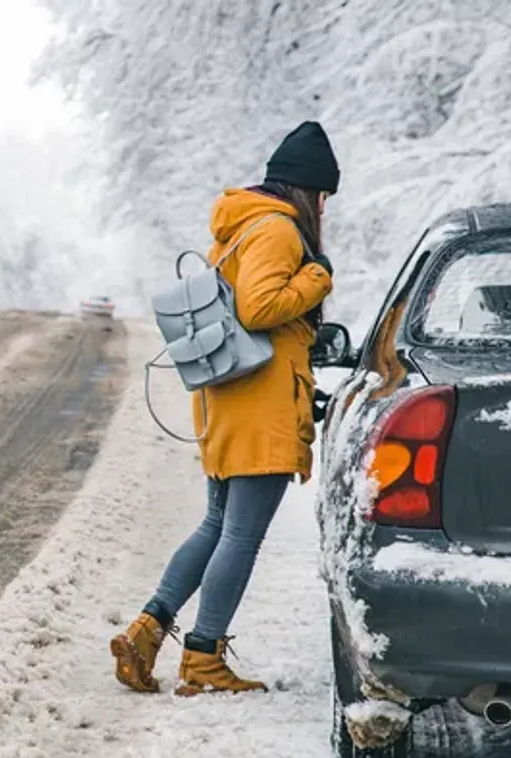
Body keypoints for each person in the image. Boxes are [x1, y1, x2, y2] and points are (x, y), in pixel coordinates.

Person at [112, 121, 339, 696]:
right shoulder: (279, 231)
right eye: (323, 198)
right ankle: (203, 657)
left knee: (218, 525)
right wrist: (317, 278)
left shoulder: (242, 224)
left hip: (230, 398)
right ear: (307, 191)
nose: (324, 209)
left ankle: (147, 629)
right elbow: (261, 307)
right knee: (241, 535)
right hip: (261, 403)